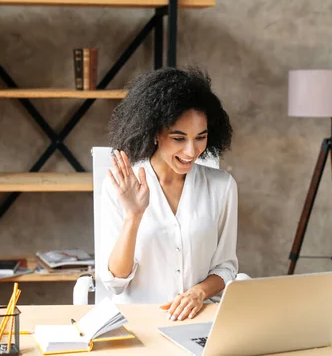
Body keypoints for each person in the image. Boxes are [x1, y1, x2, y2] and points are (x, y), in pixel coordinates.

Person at [100, 67, 239, 322]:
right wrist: (133, 216)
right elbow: (115, 282)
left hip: (200, 319)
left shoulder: (222, 187)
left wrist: (198, 293)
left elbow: (226, 267)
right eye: (178, 138)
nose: (191, 150)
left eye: (201, 137)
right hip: (140, 320)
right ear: (154, 132)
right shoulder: (121, 186)